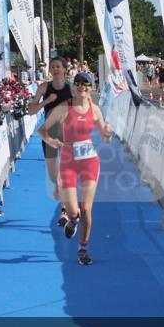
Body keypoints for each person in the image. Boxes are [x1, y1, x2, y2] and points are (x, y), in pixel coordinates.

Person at [38, 72, 113, 266]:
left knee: (86, 209)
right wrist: (51, 140)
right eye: (78, 84)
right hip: (68, 162)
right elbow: (42, 130)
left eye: (86, 84)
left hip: (89, 161)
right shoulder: (64, 108)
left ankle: (83, 248)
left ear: (91, 87)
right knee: (73, 211)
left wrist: (108, 133)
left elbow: (104, 135)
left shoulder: (95, 109)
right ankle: (72, 221)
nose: (82, 87)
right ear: (73, 87)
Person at [28, 57, 73, 226]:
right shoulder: (44, 87)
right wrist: (46, 101)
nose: (55, 69)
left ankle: (65, 212)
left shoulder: (72, 88)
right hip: (49, 134)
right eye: (52, 67)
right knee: (55, 176)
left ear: (64, 69)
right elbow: (31, 111)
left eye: (58, 67)